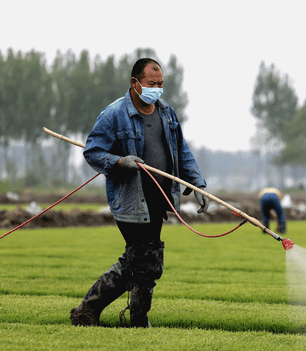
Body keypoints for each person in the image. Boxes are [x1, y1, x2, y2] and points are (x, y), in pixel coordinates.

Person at [70, 58, 209, 328]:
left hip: (159, 199)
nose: (157, 89)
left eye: (160, 84)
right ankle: (123, 317)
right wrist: (121, 162)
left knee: (145, 260)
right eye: (151, 84)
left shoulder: (166, 112)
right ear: (135, 83)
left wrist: (197, 183)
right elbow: (93, 152)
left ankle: (101, 314)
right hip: (131, 200)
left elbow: (182, 150)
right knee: (144, 260)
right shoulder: (113, 114)